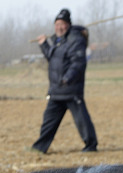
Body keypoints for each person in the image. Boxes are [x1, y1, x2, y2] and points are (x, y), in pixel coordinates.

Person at [30, 9, 97, 154]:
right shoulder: (56, 40)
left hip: (71, 89)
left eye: (62, 24)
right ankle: (39, 148)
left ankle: (91, 146)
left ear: (68, 25)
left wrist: (68, 78)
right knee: (49, 121)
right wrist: (44, 44)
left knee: (82, 121)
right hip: (56, 90)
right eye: (57, 24)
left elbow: (78, 63)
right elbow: (52, 58)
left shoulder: (76, 40)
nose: (59, 27)